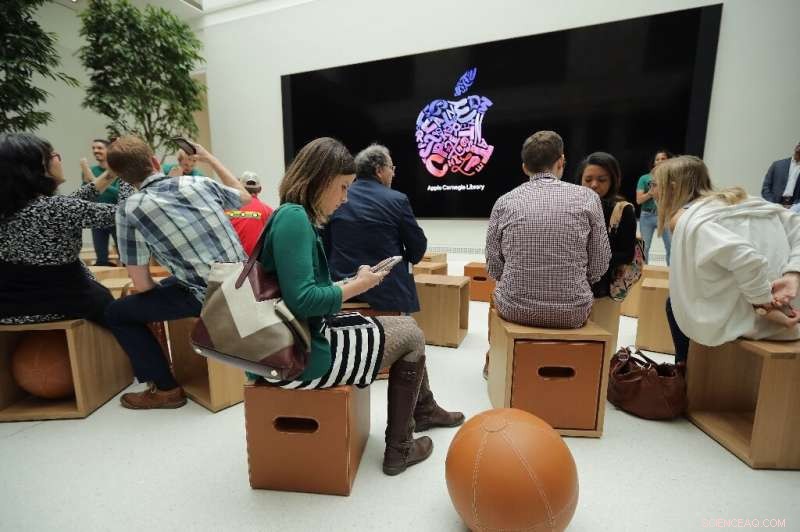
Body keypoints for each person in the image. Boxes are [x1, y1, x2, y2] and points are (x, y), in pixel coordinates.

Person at [253, 137, 463, 476]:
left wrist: (351, 281)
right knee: (412, 335)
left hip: (293, 340)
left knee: (410, 331)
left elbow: (304, 291)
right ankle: (401, 446)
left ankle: (419, 417)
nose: (345, 198)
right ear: (320, 181)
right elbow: (304, 300)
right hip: (298, 356)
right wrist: (359, 285)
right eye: (342, 188)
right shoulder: (294, 220)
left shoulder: (291, 216)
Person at [103, 135, 251, 410]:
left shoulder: (129, 209)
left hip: (208, 296)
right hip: (248, 282)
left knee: (117, 313)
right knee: (175, 284)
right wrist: (208, 159)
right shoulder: (198, 182)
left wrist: (159, 293)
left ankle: (166, 389)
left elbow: (143, 284)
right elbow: (245, 197)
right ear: (154, 161)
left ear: (122, 178)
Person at [654, 155, 800, 363]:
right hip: (787, 311)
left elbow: (746, 258)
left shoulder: (687, 218)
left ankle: (683, 372)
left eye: (655, 185)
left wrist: (763, 303)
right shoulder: (748, 202)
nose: (653, 192)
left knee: (675, 304)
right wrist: (793, 275)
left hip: (753, 318)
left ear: (673, 187)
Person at [0, 133, 131, 325]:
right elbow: (128, 213)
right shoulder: (57, 209)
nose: (60, 160)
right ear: (39, 168)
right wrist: (127, 173)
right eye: (55, 156)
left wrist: (111, 173)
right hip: (63, 304)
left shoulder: (11, 209)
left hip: (11, 309)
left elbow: (69, 205)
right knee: (126, 319)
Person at [486, 130, 611, 329]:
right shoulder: (588, 198)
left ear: (525, 167)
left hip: (513, 309)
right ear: (561, 161)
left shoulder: (504, 201)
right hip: (573, 312)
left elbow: (494, 265)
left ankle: (496, 358)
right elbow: (600, 262)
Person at [323, 143, 427, 313]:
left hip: (342, 291)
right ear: (379, 170)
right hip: (387, 294)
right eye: (391, 168)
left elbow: (325, 245)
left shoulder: (337, 198)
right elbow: (417, 247)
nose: (393, 173)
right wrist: (401, 259)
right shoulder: (397, 200)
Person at [577, 152, 637, 298]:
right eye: (588, 179)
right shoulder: (571, 205)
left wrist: (590, 259)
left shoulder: (622, 210)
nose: (594, 185)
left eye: (602, 180)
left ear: (613, 180)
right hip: (570, 286)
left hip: (602, 291)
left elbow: (627, 255)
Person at [80, 138, 121, 266]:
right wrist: (90, 182)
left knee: (125, 256)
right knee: (101, 259)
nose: (95, 151)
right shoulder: (89, 170)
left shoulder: (118, 170)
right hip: (96, 217)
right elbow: (86, 194)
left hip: (117, 217)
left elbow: (119, 194)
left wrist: (96, 181)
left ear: (108, 150)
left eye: (99, 148)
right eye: (93, 148)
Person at [637, 149, 673, 265]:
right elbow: (639, 200)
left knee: (671, 246)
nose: (660, 161)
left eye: (663, 158)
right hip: (647, 215)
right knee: (644, 247)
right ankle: (641, 275)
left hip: (666, 215)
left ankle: (671, 276)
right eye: (657, 159)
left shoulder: (674, 178)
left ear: (669, 161)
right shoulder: (644, 178)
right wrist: (651, 191)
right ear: (654, 163)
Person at [224, 171, 273, 255]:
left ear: (238, 188)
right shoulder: (268, 211)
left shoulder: (226, 210)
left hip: (231, 262)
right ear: (260, 189)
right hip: (254, 264)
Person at [761, 141, 800, 207]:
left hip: (795, 208)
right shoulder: (777, 165)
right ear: (796, 147)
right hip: (774, 205)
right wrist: (773, 204)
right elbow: (766, 188)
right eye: (799, 145)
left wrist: (794, 206)